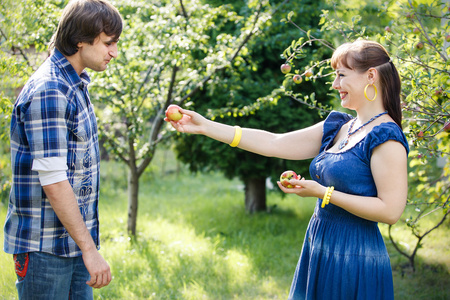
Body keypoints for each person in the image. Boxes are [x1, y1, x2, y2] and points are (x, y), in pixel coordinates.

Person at [166, 39, 409, 299]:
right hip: (319, 245)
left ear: (370, 76)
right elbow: (273, 142)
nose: (335, 84)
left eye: (341, 75)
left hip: (354, 258)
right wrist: (205, 126)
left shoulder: (386, 136)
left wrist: (323, 193)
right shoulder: (340, 126)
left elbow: (390, 211)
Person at [3, 0, 122, 299]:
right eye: (109, 43)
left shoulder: (75, 84)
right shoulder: (50, 90)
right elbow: (54, 181)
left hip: (75, 244)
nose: (114, 52)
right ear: (80, 40)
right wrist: (90, 250)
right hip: (46, 250)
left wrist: (87, 247)